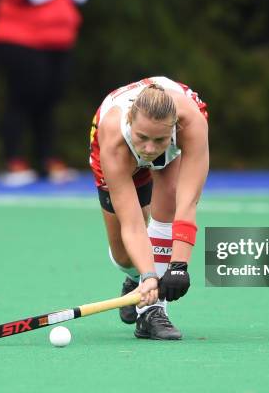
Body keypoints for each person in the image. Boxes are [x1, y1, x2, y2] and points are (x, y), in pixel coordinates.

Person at [89, 76, 209, 340]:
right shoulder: (113, 139)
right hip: (119, 154)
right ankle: (133, 278)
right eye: (143, 137)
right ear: (131, 120)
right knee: (124, 256)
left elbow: (187, 204)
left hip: (173, 151)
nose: (150, 150)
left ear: (174, 129)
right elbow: (132, 225)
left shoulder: (191, 123)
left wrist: (178, 267)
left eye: (159, 140)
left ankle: (152, 314)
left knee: (170, 197)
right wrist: (146, 275)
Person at [0, 0, 90, 186]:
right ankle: (14, 161)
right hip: (20, 38)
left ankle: (47, 160)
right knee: (22, 98)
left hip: (59, 40)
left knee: (49, 100)